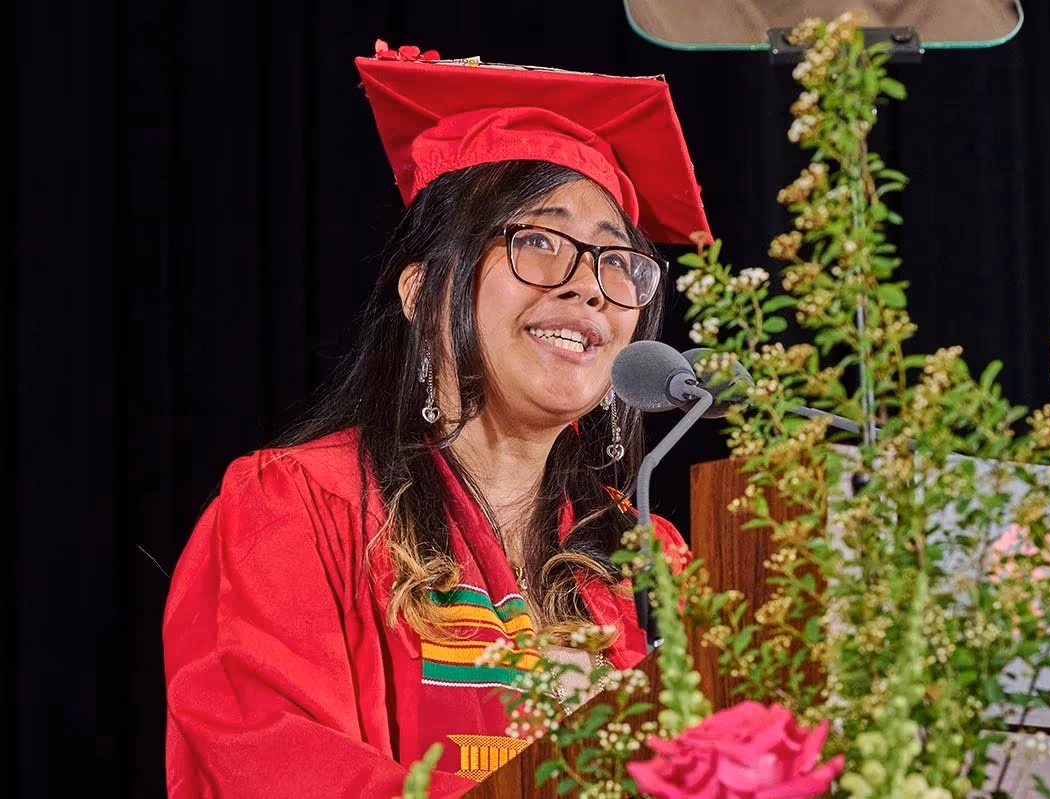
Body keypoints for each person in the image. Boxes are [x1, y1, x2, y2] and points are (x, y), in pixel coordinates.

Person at [162, 44, 709, 799]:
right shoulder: (296, 509)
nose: (589, 286)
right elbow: (274, 764)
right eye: (540, 241)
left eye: (618, 262)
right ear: (423, 291)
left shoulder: (651, 562)